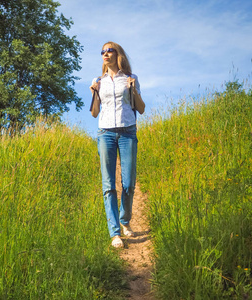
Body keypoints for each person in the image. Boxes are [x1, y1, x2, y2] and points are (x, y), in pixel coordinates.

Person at [89, 41, 144, 248]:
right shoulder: (98, 81)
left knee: (128, 183)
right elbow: (94, 112)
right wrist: (94, 92)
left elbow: (141, 109)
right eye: (102, 51)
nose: (105, 53)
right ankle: (115, 233)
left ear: (117, 54)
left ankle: (125, 221)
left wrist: (133, 90)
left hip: (128, 131)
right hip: (105, 134)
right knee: (108, 185)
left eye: (109, 50)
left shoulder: (131, 78)